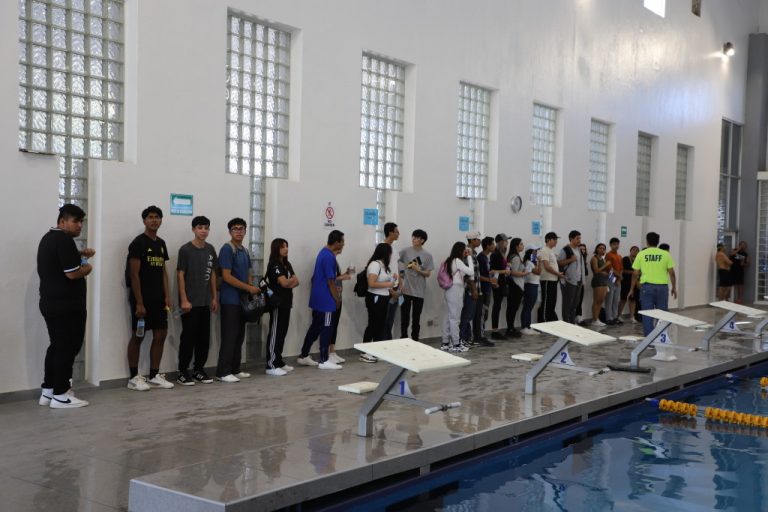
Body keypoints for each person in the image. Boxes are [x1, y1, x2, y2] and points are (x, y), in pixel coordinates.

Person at [37, 204, 93, 408]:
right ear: (62, 221)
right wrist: (87, 267)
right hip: (66, 307)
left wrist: (81, 256)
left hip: (51, 303)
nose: (79, 226)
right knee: (67, 348)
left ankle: (48, 390)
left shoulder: (48, 238)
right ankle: (61, 395)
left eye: (81, 222)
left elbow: (63, 263)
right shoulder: (63, 240)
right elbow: (72, 273)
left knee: (56, 346)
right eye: (75, 221)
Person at [126, 205, 173, 391]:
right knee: (138, 336)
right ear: (144, 220)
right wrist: (139, 302)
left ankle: (154, 375)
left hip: (159, 299)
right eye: (151, 217)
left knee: (161, 334)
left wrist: (167, 295)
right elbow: (134, 274)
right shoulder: (138, 243)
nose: (154, 220)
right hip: (142, 299)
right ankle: (133, 377)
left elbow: (163, 272)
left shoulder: (161, 243)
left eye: (157, 217)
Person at [216, 218, 260, 383]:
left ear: (245, 231)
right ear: (230, 231)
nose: (239, 231)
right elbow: (226, 276)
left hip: (242, 300)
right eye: (235, 229)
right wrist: (248, 288)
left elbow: (248, 272)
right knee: (230, 335)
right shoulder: (227, 249)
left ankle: (235, 368)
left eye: (241, 229)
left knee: (239, 335)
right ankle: (223, 372)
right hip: (230, 300)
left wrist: (250, 288)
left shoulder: (245, 250)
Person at [176, 216, 218, 386]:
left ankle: (198, 370)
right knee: (188, 338)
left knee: (204, 339)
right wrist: (184, 299)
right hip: (190, 303)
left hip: (205, 302)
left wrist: (214, 297)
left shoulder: (211, 249)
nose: (203, 231)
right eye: (200, 227)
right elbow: (180, 275)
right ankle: (182, 371)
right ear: (193, 229)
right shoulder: (185, 250)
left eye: (206, 228)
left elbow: (213, 273)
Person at [298, 230, 344, 370]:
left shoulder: (322, 253)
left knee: (315, 327)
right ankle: (324, 360)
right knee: (327, 329)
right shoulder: (329, 256)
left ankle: (304, 355)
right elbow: (331, 282)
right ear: (336, 242)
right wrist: (336, 299)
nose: (344, 244)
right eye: (342, 242)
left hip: (317, 298)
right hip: (326, 301)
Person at [629, 232, 677, 336]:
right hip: (662, 288)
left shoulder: (641, 254)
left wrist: (631, 289)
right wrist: (674, 287)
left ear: (647, 241)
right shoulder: (665, 254)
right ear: (658, 242)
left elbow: (635, 274)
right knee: (663, 314)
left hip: (646, 288)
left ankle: (649, 339)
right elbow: (672, 273)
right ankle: (661, 337)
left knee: (647, 314)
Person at [265, 238, 300, 376]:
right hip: (277, 303)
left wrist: (288, 282)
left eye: (286, 246)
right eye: (282, 247)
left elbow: (297, 281)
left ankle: (278, 361)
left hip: (287, 302)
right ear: (276, 249)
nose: (286, 249)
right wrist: (289, 281)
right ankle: (271, 365)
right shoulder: (274, 264)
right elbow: (285, 283)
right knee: (275, 333)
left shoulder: (286, 264)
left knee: (282, 333)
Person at [361, 243, 396, 362]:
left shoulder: (384, 266)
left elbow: (386, 282)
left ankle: (375, 351)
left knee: (380, 325)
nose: (391, 256)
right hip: (375, 298)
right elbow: (371, 283)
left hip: (384, 298)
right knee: (373, 324)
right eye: (390, 253)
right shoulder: (375, 265)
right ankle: (365, 352)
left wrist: (393, 280)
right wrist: (388, 284)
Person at [399, 229, 434, 341]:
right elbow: (398, 263)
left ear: (422, 240)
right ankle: (403, 338)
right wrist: (401, 275)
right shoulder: (405, 251)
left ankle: (415, 339)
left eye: (416, 237)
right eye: (413, 237)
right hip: (405, 289)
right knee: (404, 316)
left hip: (419, 291)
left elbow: (428, 273)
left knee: (416, 317)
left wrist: (418, 270)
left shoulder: (427, 255)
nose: (413, 239)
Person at [441, 242, 474, 353]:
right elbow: (471, 272)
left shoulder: (448, 260)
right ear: (460, 250)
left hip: (448, 290)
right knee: (455, 318)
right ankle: (456, 344)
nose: (466, 252)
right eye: (465, 250)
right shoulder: (457, 261)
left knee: (447, 317)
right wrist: (470, 257)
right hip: (456, 290)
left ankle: (445, 343)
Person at [459, 232, 481, 347]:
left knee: (469, 315)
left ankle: (467, 338)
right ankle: (462, 339)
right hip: (470, 289)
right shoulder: (467, 253)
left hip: (475, 288)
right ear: (472, 240)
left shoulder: (474, 253)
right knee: (467, 316)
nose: (479, 241)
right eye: (477, 239)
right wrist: (473, 289)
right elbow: (468, 274)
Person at [558, 230, 584, 324]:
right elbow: (559, 263)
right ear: (571, 239)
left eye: (580, 238)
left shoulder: (579, 250)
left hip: (578, 280)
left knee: (575, 304)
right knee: (567, 304)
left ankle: (572, 323)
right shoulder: (565, 250)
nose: (579, 240)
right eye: (577, 238)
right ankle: (566, 324)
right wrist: (571, 260)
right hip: (568, 280)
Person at [474, 237, 497, 347]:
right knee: (481, 314)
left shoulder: (486, 258)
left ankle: (481, 335)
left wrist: (492, 281)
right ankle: (480, 336)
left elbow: (486, 274)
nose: (494, 246)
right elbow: (478, 276)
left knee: (484, 314)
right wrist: (490, 280)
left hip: (487, 289)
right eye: (492, 244)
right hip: (482, 290)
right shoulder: (481, 258)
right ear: (487, 246)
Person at [538, 232, 565, 322]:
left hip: (553, 280)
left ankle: (550, 322)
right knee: (547, 302)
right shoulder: (544, 250)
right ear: (548, 240)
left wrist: (558, 274)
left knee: (552, 302)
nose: (556, 241)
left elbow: (552, 265)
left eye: (556, 239)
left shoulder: (551, 251)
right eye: (554, 239)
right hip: (547, 280)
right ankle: (544, 322)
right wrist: (558, 274)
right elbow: (547, 266)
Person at [489, 234, 512, 340]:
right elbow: (492, 271)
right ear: (500, 242)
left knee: (498, 306)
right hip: (497, 283)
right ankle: (495, 331)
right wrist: (504, 271)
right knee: (496, 306)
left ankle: (496, 330)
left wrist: (507, 268)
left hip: (502, 282)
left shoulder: (502, 254)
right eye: (505, 241)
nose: (507, 243)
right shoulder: (495, 254)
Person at [506, 238, 528, 337]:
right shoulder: (515, 257)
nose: (523, 245)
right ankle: (510, 329)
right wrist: (524, 273)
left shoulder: (513, 256)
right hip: (516, 285)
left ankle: (511, 328)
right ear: (516, 246)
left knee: (512, 308)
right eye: (521, 244)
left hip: (514, 285)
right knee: (513, 308)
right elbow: (513, 272)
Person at [383, 222, 401, 339]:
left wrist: (399, 284)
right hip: (386, 288)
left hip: (395, 287)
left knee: (390, 320)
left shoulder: (394, 248)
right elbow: (381, 271)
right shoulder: (382, 247)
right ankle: (383, 343)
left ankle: (388, 343)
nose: (398, 233)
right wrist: (390, 289)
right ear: (390, 233)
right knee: (384, 319)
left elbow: (396, 267)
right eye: (396, 231)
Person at [520, 246, 541, 335]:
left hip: (533, 285)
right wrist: (540, 261)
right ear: (530, 252)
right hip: (530, 285)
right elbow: (538, 272)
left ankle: (527, 326)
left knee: (529, 307)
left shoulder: (531, 262)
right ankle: (525, 327)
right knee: (527, 307)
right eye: (535, 251)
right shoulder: (529, 263)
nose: (536, 253)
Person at [589, 243, 612, 327]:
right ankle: (594, 319)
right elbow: (596, 271)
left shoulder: (603, 259)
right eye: (600, 248)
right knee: (596, 301)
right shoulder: (594, 258)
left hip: (604, 281)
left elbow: (605, 270)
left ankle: (597, 318)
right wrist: (606, 265)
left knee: (601, 301)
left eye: (604, 249)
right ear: (597, 249)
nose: (602, 250)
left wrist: (608, 272)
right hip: (598, 281)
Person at [604, 237, 623, 325]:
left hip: (618, 279)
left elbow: (621, 268)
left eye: (617, 244)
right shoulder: (608, 255)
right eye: (614, 244)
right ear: (610, 245)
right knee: (609, 299)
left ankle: (615, 317)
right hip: (611, 278)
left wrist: (618, 278)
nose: (616, 246)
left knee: (616, 299)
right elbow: (610, 268)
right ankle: (609, 318)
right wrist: (617, 278)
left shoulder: (619, 256)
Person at [619, 245, 639, 322]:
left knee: (633, 299)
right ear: (630, 251)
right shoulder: (625, 259)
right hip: (626, 281)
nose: (635, 251)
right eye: (633, 249)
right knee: (623, 298)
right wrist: (632, 272)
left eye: (637, 250)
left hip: (635, 282)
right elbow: (622, 270)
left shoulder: (638, 260)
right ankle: (619, 315)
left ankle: (632, 316)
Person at [575, 243, 589, 325]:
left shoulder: (584, 259)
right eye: (581, 249)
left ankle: (579, 317)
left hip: (581, 282)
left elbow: (586, 272)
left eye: (584, 249)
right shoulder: (577, 258)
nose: (582, 251)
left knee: (580, 300)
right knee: (575, 301)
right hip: (575, 282)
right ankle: (574, 318)